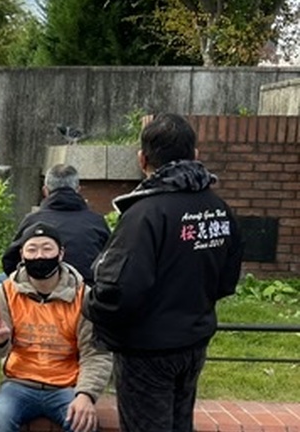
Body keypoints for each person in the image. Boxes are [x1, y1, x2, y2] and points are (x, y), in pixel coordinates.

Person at [83, 113, 244, 432]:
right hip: (193, 342)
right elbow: (227, 281)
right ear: (195, 156)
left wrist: (89, 304)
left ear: (143, 160)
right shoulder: (219, 209)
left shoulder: (144, 215)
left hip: (146, 352)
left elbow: (118, 294)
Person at [0, 225, 112, 432]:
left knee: (83, 424)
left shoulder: (83, 296)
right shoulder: (6, 292)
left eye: (47, 249)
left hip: (66, 386)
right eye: (32, 250)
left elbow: (96, 354)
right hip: (18, 384)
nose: (39, 256)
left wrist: (86, 395)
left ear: (61, 254)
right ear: (22, 254)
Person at [0, 164, 109, 286]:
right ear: (78, 190)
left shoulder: (32, 220)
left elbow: (9, 261)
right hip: (87, 289)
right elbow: (110, 261)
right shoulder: (97, 221)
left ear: (45, 191)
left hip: (40, 289)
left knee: (1, 279)